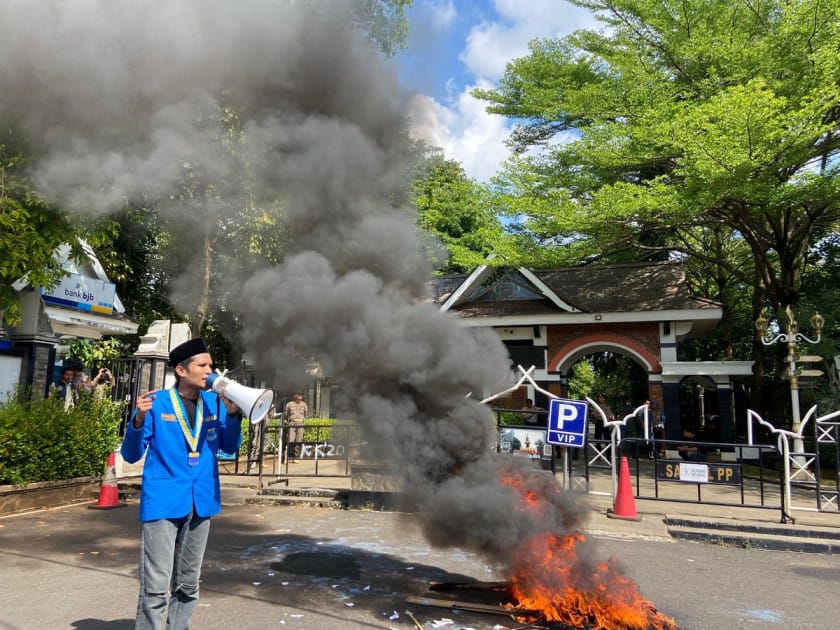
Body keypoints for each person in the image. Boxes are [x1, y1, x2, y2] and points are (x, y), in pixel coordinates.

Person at [120, 338, 242, 630]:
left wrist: (235, 414)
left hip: (201, 501)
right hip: (163, 502)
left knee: (189, 582)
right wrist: (137, 420)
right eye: (203, 365)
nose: (210, 371)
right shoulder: (157, 401)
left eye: (210, 365)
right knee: (156, 584)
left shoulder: (214, 402)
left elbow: (230, 447)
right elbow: (131, 454)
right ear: (181, 370)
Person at [284, 391, 308, 461]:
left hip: (300, 425)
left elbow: (305, 415)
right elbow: (286, 414)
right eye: (299, 395)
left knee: (298, 441)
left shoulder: (304, 404)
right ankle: (288, 457)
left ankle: (295, 457)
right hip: (292, 424)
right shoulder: (289, 404)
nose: (300, 396)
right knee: (290, 440)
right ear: (295, 396)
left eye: (301, 395)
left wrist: (301, 420)